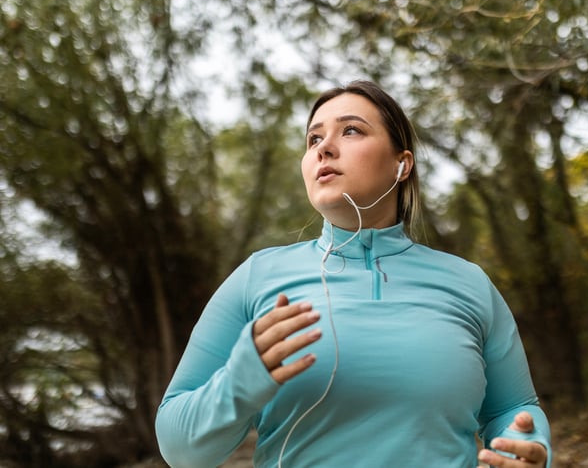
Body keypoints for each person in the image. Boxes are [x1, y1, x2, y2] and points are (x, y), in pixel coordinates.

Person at [155, 80, 552, 468]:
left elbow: (514, 409)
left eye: (350, 130)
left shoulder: (469, 284)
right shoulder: (257, 276)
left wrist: (525, 446)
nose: (324, 148)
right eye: (313, 140)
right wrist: (238, 386)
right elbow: (180, 450)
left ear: (402, 164)